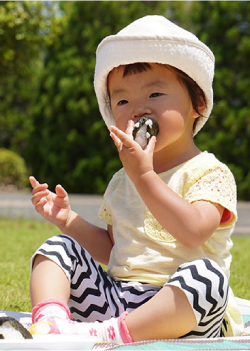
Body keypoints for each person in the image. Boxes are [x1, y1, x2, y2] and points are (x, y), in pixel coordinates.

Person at [29, 15, 244, 343]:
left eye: (155, 94)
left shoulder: (210, 173)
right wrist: (68, 220)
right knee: (56, 249)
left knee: (208, 276)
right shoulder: (121, 179)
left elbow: (192, 231)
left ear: (197, 104)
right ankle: (51, 323)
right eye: (123, 100)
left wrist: (143, 175)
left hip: (183, 315)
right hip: (118, 302)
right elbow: (117, 249)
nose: (137, 109)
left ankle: (113, 334)